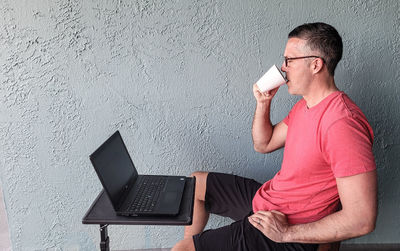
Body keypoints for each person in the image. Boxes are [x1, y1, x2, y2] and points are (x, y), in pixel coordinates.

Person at [172, 22, 377, 251]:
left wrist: (286, 233)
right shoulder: (305, 107)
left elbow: (362, 219)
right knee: (195, 184)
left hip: (287, 226)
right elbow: (264, 143)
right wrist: (263, 103)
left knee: (182, 249)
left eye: (289, 60)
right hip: (270, 201)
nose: (283, 67)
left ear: (316, 65)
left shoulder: (342, 124)